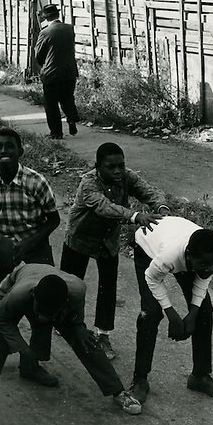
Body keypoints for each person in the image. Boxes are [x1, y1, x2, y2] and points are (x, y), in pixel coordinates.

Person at [0, 264, 142, 425]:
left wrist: (77, 328)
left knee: (86, 341)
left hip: (53, 299)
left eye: (48, 314)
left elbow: (75, 318)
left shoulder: (77, 291)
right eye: (40, 312)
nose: (41, 317)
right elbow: (1, 318)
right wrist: (22, 348)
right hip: (19, 286)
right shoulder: (19, 294)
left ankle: (118, 392)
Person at [60, 142, 170, 360]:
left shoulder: (127, 177)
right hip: (80, 238)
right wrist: (136, 216)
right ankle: (65, 324)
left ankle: (103, 335)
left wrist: (161, 208)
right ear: (98, 166)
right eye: (111, 167)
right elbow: (103, 207)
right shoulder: (88, 183)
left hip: (107, 242)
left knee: (107, 288)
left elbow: (149, 192)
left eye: (121, 165)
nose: (118, 171)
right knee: (70, 286)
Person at [0, 127, 60, 387]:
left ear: (20, 151)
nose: (4, 151)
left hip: (34, 245)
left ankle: (32, 364)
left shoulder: (36, 182)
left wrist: (29, 243)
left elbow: (53, 219)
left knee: (41, 305)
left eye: (10, 146)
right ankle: (1, 342)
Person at [130, 216, 213, 405]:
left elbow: (203, 278)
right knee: (150, 313)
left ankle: (200, 376)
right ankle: (140, 379)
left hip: (180, 240)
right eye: (204, 265)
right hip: (148, 244)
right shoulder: (169, 256)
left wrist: (192, 314)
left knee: (204, 310)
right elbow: (152, 279)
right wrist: (172, 315)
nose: (210, 269)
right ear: (189, 257)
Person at [34, 3, 80, 139]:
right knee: (67, 98)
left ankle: (56, 133)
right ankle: (71, 118)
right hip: (69, 71)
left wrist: (44, 64)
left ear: (45, 18)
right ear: (57, 15)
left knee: (51, 104)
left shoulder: (45, 32)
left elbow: (39, 55)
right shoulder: (69, 29)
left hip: (51, 73)